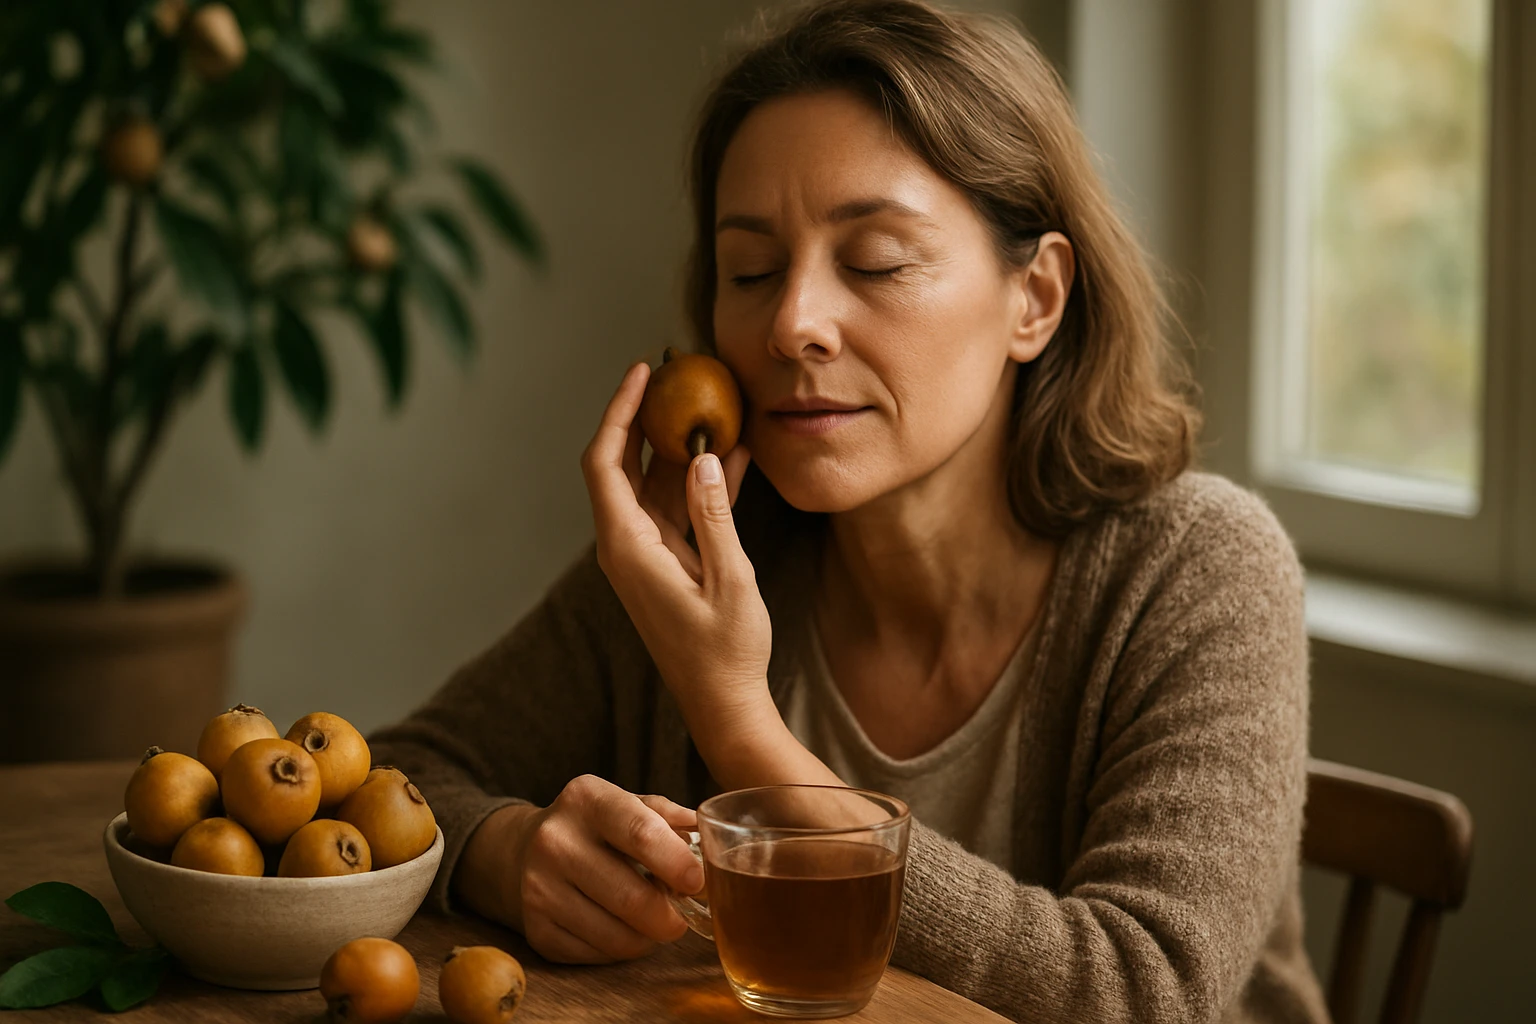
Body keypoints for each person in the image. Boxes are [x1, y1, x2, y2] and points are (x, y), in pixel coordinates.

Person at [368, 1, 1330, 1020]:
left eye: (875, 260)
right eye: (751, 271)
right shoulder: (710, 558)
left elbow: (1145, 991)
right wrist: (504, 850)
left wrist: (737, 719)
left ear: (1036, 298)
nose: (792, 323)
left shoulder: (1199, 568)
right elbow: (396, 772)